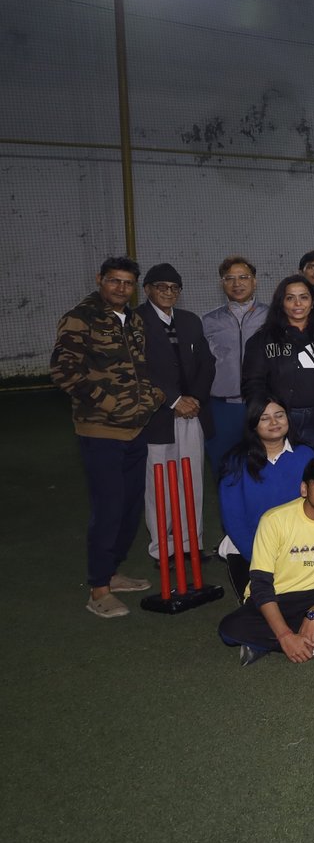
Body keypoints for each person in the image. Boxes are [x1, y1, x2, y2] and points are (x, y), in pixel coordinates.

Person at [52, 257, 164, 616]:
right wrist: (110, 403)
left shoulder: (133, 320)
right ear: (100, 279)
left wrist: (153, 398)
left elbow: (142, 366)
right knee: (109, 507)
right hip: (100, 429)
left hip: (136, 428)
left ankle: (112, 572)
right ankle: (98, 589)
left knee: (130, 506)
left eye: (127, 283)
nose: (120, 288)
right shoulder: (80, 318)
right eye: (114, 281)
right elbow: (63, 371)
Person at [217, 456, 314, 665]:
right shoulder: (274, 521)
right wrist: (284, 635)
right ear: (304, 489)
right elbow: (261, 585)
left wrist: (313, 615)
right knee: (230, 629)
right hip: (277, 598)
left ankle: (266, 644)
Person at [136, 263, 216, 563]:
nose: (168, 293)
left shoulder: (190, 321)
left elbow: (207, 364)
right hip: (157, 416)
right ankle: (163, 548)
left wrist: (195, 399)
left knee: (191, 481)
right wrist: (173, 400)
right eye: (161, 287)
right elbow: (137, 370)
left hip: (192, 413)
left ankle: (190, 543)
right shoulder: (135, 321)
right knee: (160, 484)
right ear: (147, 289)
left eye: (174, 288)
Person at [217, 397, 314, 597]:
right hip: (250, 548)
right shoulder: (236, 461)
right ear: (253, 424)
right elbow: (233, 518)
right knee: (260, 606)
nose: (274, 422)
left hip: (299, 548)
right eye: (264, 418)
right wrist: (259, 558)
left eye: (279, 415)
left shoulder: (306, 455)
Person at [242, 275, 314, 449]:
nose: (298, 303)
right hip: (280, 422)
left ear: (313, 302)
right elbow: (252, 383)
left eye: (304, 297)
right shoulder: (262, 340)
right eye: (290, 298)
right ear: (281, 303)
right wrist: (268, 417)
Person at [201, 255, 265, 471]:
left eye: (243, 277)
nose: (237, 283)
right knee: (223, 466)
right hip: (222, 407)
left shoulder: (272, 316)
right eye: (229, 278)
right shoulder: (209, 320)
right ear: (222, 283)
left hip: (261, 404)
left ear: (254, 281)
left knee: (262, 466)